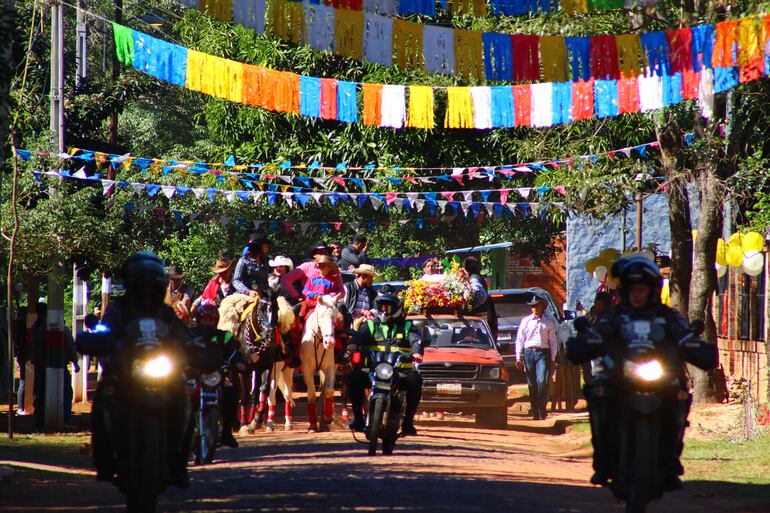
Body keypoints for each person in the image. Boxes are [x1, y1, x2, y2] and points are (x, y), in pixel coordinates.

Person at [568, 256, 717, 490]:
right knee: (597, 392)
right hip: (620, 378)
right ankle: (604, 459)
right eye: (634, 289)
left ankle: (670, 460)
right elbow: (598, 334)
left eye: (643, 289)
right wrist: (588, 340)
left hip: (659, 376)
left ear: (652, 291)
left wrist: (694, 344)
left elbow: (683, 335)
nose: (638, 294)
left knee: (680, 395)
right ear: (626, 291)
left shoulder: (666, 316)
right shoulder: (616, 316)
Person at [81, 251, 212, 488]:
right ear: (132, 285)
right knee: (103, 397)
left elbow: (184, 334)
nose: (148, 291)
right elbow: (104, 330)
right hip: (125, 372)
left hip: (162, 371)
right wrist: (93, 338)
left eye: (153, 286)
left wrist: (198, 346)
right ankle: (104, 460)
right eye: (143, 285)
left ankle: (178, 463)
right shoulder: (119, 309)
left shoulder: (165, 313)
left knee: (186, 401)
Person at [346, 287, 424, 436]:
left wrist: (417, 351)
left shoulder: (407, 326)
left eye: (388, 306)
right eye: (381, 306)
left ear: (396, 309)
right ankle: (358, 419)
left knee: (415, 380)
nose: (384, 310)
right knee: (355, 377)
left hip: (400, 372)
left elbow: (416, 340)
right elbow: (359, 337)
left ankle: (408, 423)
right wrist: (352, 346)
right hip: (373, 370)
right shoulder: (370, 325)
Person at [192, 303, 243, 449]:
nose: (208, 323)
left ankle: (227, 432)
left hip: (216, 375)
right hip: (193, 376)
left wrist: (238, 362)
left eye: (211, 320)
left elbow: (233, 353)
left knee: (231, 390)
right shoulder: (190, 334)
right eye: (205, 320)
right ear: (198, 320)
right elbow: (178, 350)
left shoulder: (225, 336)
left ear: (216, 321)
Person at [515, 295, 557, 420]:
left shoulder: (548, 322)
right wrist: (518, 357)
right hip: (529, 353)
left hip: (543, 353)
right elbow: (520, 340)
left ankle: (542, 408)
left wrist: (553, 359)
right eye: (532, 306)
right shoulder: (525, 321)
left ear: (541, 306)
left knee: (542, 381)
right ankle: (535, 411)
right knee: (531, 383)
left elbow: (553, 342)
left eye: (536, 305)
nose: (534, 308)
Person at [280, 253, 346, 307]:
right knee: (297, 312)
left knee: (342, 308)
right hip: (311, 302)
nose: (319, 267)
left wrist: (329, 296)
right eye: (319, 265)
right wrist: (313, 295)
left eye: (323, 266)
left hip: (329, 302)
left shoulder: (334, 278)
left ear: (329, 267)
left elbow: (341, 291)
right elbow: (305, 290)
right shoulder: (312, 277)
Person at [463, 256, 498, 339]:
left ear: (465, 268)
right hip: (479, 319)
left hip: (479, 318)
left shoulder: (474, 279)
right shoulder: (476, 277)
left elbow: (481, 295)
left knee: (479, 339)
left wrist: (470, 307)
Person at [343, 264, 379, 330]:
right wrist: (362, 312)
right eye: (370, 278)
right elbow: (344, 309)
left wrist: (371, 312)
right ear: (363, 276)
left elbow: (376, 308)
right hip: (351, 322)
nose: (372, 281)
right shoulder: (348, 288)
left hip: (367, 323)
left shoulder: (372, 292)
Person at [30, 301, 48, 429]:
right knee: (41, 390)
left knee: (39, 389)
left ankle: (38, 415)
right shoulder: (42, 327)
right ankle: (40, 417)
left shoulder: (35, 326)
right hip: (44, 361)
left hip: (38, 360)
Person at [13, 306, 30, 415]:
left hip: (21, 355)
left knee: (23, 381)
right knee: (23, 381)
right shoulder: (21, 326)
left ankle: (21, 407)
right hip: (23, 355)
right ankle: (20, 407)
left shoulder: (16, 325)